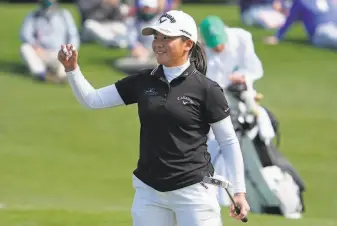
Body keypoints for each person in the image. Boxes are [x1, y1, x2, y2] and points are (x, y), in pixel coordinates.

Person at [58, 10, 250, 226]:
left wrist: (240, 192)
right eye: (156, 37)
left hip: (194, 192)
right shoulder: (143, 81)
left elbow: (228, 142)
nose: (158, 43)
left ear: (187, 44)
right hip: (149, 192)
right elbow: (92, 100)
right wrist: (72, 69)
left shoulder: (207, 89)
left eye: (166, 38)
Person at [199, 15, 277, 206]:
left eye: (220, 43)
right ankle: (218, 195)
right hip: (215, 106)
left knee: (247, 143)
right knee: (213, 147)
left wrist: (242, 77)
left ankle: (253, 192)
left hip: (241, 100)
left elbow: (255, 69)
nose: (218, 48)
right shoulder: (201, 51)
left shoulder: (242, 38)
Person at [19, 0, 80, 84]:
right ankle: (42, 75)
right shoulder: (34, 15)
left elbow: (73, 36)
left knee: (66, 63)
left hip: (59, 54)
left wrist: (69, 51)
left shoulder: (64, 14)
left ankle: (61, 76)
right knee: (25, 48)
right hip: (41, 53)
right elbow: (25, 34)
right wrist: (35, 46)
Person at [265, 0, 337, 49]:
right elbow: (290, 19)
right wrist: (277, 37)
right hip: (321, 32)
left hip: (326, 30)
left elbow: (289, 19)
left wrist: (277, 36)